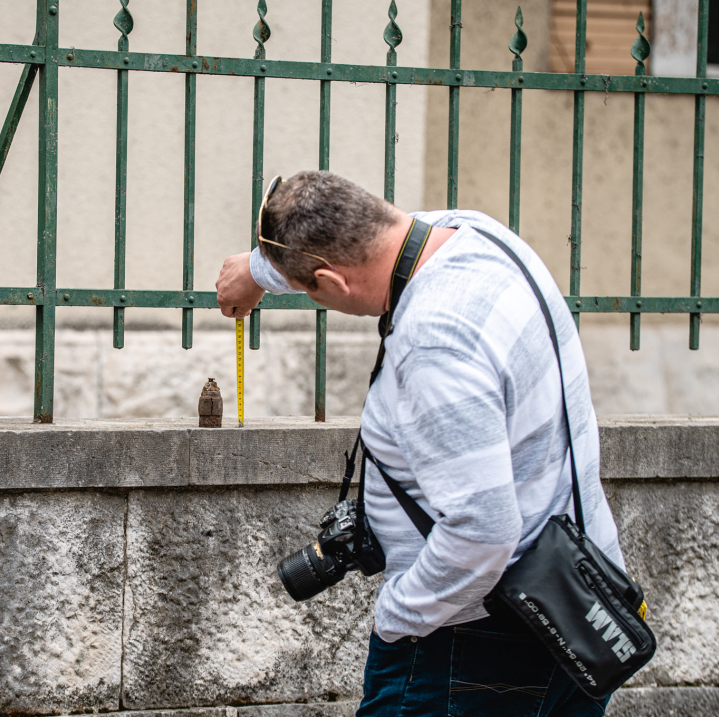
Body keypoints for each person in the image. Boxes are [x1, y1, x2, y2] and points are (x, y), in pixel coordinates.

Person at [215, 171, 624, 716]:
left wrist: (398, 619)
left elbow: (483, 531)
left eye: (314, 290)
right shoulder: (478, 233)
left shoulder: (433, 343)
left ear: (332, 284)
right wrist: (260, 271)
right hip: (579, 601)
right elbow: (367, 234)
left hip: (475, 645)